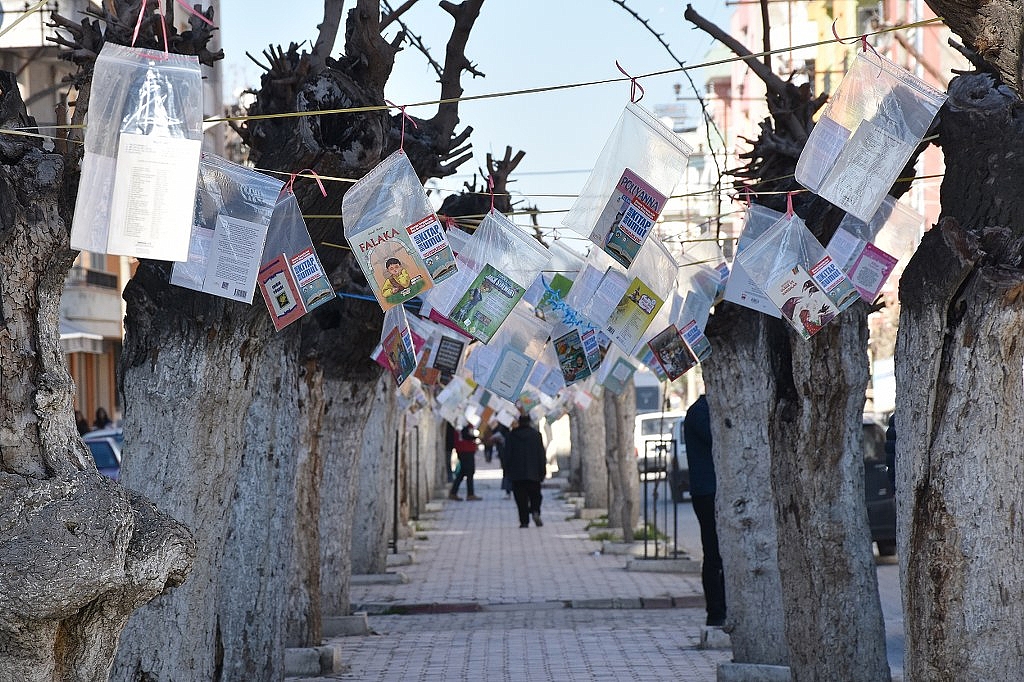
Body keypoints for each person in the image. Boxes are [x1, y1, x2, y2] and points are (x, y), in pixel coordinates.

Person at [683, 394, 727, 627]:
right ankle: (716, 611)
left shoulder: (712, 408)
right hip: (707, 491)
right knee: (713, 553)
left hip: (720, 489)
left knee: (725, 553)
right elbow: (716, 439)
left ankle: (726, 605)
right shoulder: (699, 412)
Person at [502, 412, 547, 527]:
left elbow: (507, 455)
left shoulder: (511, 436)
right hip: (534, 473)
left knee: (520, 499)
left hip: (517, 474)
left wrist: (507, 471)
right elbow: (541, 455)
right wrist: (542, 471)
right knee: (536, 495)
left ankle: (524, 521)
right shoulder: (536, 435)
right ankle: (535, 510)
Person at [449, 424, 480, 501]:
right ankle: (470, 494)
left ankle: (454, 492)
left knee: (463, 472)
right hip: (465, 449)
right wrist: (476, 437)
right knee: (469, 471)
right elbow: (466, 435)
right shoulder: (462, 422)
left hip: (464, 449)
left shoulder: (463, 422)